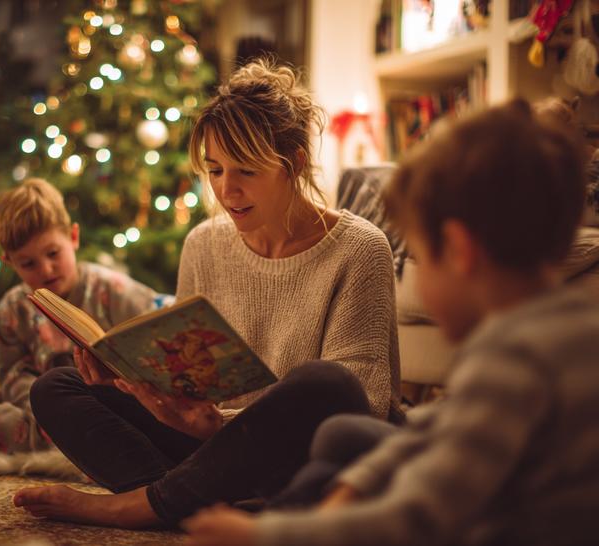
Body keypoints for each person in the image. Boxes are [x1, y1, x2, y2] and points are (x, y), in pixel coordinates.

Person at [184, 99, 599, 546]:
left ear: (459, 251)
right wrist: (359, 481)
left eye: (420, 257)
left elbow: (416, 517)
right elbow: (437, 433)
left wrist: (268, 535)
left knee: (340, 450)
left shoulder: (515, 362)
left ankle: (255, 509)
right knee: (347, 437)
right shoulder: (565, 329)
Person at [12, 59, 401, 528]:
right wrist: (126, 377)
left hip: (305, 462)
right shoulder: (204, 243)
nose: (226, 190)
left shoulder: (360, 250)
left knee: (327, 383)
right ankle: (193, 505)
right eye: (214, 170)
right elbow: (184, 373)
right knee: (57, 386)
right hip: (209, 446)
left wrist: (220, 424)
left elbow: (363, 407)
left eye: (245, 171)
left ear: (293, 163)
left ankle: (145, 505)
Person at [0, 177, 170, 453]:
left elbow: (159, 320)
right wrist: (51, 412)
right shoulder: (11, 312)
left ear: (73, 237)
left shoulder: (111, 288)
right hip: (52, 413)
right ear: (9, 262)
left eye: (53, 253)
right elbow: (13, 379)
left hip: (117, 402)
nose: (46, 270)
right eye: (28, 263)